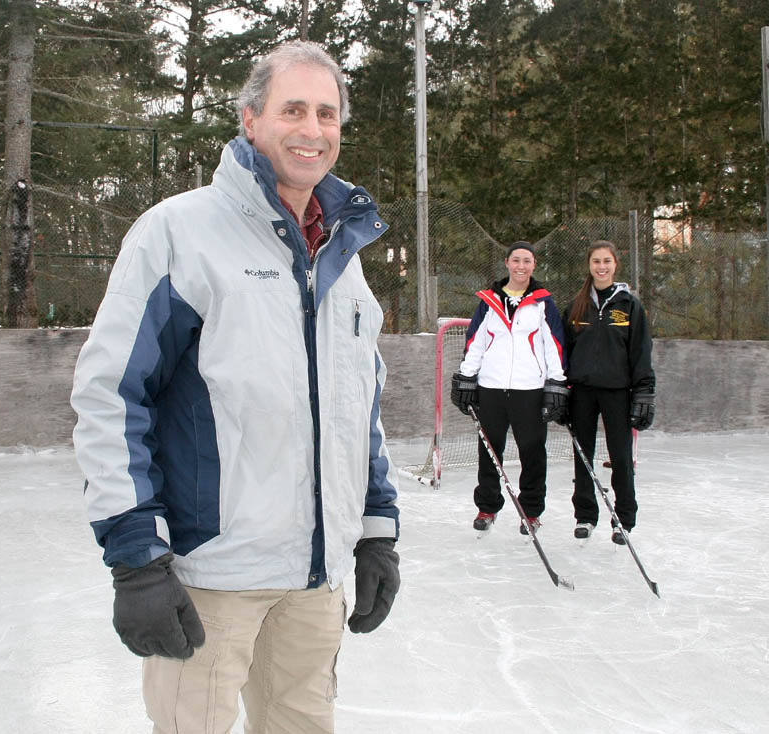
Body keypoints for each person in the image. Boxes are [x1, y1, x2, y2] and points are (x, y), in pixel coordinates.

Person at [70, 41, 400, 734]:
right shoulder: (180, 233)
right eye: (293, 110)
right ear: (250, 119)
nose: (312, 129)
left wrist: (374, 532)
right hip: (208, 578)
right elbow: (111, 396)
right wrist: (137, 558)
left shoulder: (342, 255)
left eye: (327, 113)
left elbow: (357, 406)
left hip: (314, 582)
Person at [450, 241, 568, 535]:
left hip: (529, 389)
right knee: (490, 450)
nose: (521, 266)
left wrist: (556, 383)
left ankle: (530, 512)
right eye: (516, 260)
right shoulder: (489, 301)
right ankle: (487, 507)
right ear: (507, 263)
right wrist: (467, 375)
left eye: (526, 261)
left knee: (532, 451)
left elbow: (554, 346)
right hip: (491, 387)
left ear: (534, 265)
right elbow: (475, 340)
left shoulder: (543, 303)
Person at [563, 240, 656, 544]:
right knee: (583, 457)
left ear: (616, 264)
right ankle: (586, 516)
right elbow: (564, 351)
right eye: (595, 262)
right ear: (588, 266)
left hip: (618, 392)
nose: (601, 267)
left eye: (606, 261)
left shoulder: (630, 304)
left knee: (621, 457)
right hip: (582, 393)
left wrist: (644, 393)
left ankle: (624, 519)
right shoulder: (577, 305)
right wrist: (560, 389)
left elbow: (641, 352)